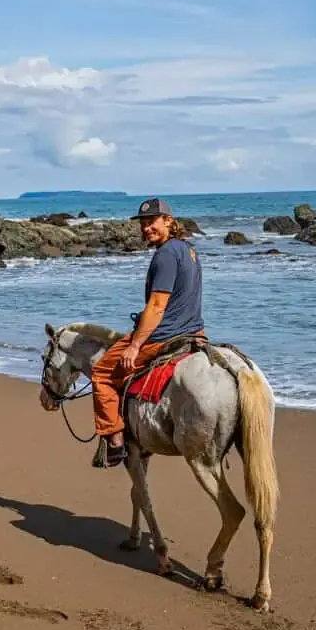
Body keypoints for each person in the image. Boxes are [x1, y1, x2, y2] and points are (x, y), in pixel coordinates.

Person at [88, 197, 205, 466]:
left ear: (168, 221)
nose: (145, 228)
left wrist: (134, 345)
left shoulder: (164, 254)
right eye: (142, 223)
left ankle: (115, 444)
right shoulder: (189, 251)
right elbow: (188, 300)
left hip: (164, 336)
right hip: (194, 333)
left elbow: (156, 305)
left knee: (102, 374)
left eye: (151, 222)